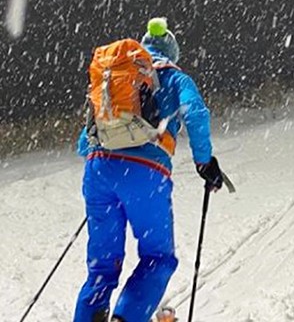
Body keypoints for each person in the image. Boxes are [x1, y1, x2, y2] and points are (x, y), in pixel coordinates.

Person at [74, 18, 225, 322]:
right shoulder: (174, 77)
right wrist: (204, 162)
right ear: (172, 51)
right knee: (158, 257)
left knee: (102, 266)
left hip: (98, 170)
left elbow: (83, 142)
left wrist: (109, 160)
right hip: (145, 173)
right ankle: (126, 317)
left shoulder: (114, 76)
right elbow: (195, 113)